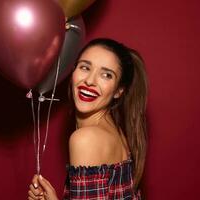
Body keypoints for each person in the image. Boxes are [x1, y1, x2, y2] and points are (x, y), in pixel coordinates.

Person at [28, 38, 149, 200]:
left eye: (106, 75)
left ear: (119, 91)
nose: (90, 81)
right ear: (73, 72)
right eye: (85, 67)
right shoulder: (115, 130)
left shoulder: (86, 139)